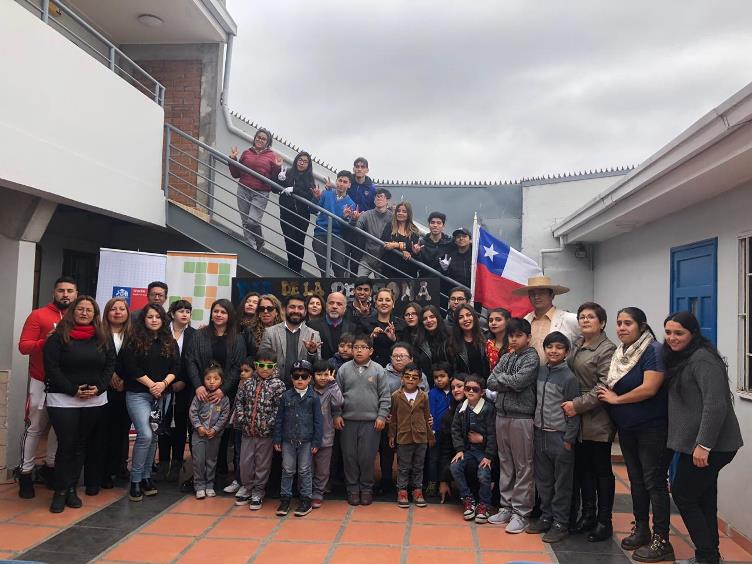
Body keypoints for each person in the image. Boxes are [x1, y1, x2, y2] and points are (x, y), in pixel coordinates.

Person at [663, 311, 743, 564]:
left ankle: (706, 555)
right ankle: (709, 555)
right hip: (697, 445)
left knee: (684, 494)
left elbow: (716, 405)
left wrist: (704, 445)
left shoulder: (703, 360)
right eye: (668, 332)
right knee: (704, 497)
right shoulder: (683, 358)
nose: (672, 338)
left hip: (712, 446)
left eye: (679, 333)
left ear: (693, 334)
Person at [596, 307, 674, 562]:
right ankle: (642, 529)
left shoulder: (653, 351)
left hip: (652, 428)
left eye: (627, 323)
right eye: (619, 323)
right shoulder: (622, 353)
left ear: (641, 326)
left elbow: (650, 388)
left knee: (654, 482)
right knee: (636, 481)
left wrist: (617, 401)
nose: (621, 328)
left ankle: (662, 540)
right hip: (628, 429)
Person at [43, 296, 115, 513]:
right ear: (73, 311)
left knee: (81, 445)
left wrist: (100, 388)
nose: (84, 313)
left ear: (95, 314)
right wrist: (73, 390)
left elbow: (110, 364)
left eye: (89, 310)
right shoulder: (57, 338)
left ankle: (72, 489)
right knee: (66, 445)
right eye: (80, 309)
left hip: (94, 399)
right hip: (64, 399)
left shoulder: (103, 337)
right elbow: (52, 368)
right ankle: (60, 491)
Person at [560, 302, 617, 542]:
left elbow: (605, 385)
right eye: (582, 317)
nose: (585, 320)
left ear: (602, 322)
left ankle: (605, 522)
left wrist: (577, 405)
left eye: (591, 317)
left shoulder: (607, 349)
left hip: (597, 415)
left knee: (601, 470)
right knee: (583, 469)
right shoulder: (577, 344)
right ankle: (588, 515)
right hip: (576, 417)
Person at [17, 276, 77, 498]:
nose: (65, 294)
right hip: (41, 381)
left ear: (76, 294)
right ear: (54, 292)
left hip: (66, 384)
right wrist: (47, 340)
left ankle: (50, 469)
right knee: (34, 428)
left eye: (70, 291)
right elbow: (24, 347)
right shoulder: (39, 315)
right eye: (61, 290)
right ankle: (25, 473)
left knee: (57, 429)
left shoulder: (80, 318)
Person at [120, 304, 181, 502]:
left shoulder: (169, 342)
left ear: (164, 320)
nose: (154, 320)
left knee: (154, 436)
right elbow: (130, 367)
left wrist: (163, 384)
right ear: (143, 320)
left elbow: (176, 366)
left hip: (163, 395)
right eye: (150, 317)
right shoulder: (133, 340)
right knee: (145, 434)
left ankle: (146, 478)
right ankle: (135, 481)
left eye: (158, 317)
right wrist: (152, 385)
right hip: (138, 394)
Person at [486, 317, 540, 533]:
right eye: (511, 335)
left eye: (519, 336)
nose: (514, 339)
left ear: (528, 337)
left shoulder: (532, 357)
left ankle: (522, 512)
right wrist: (509, 382)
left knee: (523, 466)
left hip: (522, 418)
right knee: (506, 463)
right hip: (502, 415)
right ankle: (506, 506)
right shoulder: (507, 356)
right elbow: (490, 381)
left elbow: (520, 382)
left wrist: (504, 382)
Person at [185, 299, 246, 486]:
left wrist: (223, 390)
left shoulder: (237, 338)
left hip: (224, 395)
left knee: (220, 435)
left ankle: (218, 474)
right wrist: (198, 386)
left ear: (230, 316)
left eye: (223, 312)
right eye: (216, 311)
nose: (219, 315)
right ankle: (197, 476)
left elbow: (237, 367)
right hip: (200, 394)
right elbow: (191, 361)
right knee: (197, 432)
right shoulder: (199, 335)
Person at [528, 332, 580, 544]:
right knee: (544, 482)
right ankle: (546, 516)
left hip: (560, 437)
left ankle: (561, 523)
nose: (553, 351)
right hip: (540, 434)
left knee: (562, 484)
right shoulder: (540, 372)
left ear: (566, 352)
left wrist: (569, 438)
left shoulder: (569, 378)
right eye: (550, 347)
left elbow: (574, 410)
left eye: (559, 348)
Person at [335, 334, 391, 506]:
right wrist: (336, 414)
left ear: (371, 351)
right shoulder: (343, 369)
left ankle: (366, 488)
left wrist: (382, 416)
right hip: (348, 421)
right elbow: (335, 395)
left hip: (371, 422)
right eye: (356, 347)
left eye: (363, 347)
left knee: (367, 457)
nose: (359, 350)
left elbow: (385, 396)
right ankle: (352, 488)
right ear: (352, 350)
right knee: (350, 456)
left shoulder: (378, 370)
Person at [233, 348, 286, 509]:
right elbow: (239, 402)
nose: (264, 369)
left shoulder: (278, 385)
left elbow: (279, 409)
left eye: (269, 366)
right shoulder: (247, 383)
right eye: (261, 365)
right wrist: (242, 419)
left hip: (266, 435)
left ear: (275, 367)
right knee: (245, 462)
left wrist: (268, 424)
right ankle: (247, 487)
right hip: (247, 432)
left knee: (262, 464)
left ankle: (258, 491)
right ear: (255, 365)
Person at [274, 360, 323, 517]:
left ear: (310, 378)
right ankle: (285, 498)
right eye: (296, 376)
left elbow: (318, 421)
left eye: (304, 376)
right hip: (288, 440)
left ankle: (305, 499)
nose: (300, 380)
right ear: (291, 378)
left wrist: (316, 441)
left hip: (306, 441)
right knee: (287, 470)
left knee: (304, 470)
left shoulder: (314, 398)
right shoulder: (285, 396)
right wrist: (277, 439)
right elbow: (279, 419)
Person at [381, 342, 429, 494]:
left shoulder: (422, 377)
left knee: (414, 458)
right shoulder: (381, 373)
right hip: (389, 421)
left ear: (411, 358)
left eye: (402, 356)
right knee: (387, 452)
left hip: (414, 424)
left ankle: (413, 486)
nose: (398, 359)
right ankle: (387, 482)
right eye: (395, 356)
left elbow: (425, 400)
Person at [157, 299, 196, 483]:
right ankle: (163, 462)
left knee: (180, 426)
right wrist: (165, 382)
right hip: (161, 386)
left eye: (188, 311)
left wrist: (184, 381)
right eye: (181, 311)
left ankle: (177, 464)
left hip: (184, 388)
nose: (184, 314)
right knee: (162, 425)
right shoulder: (162, 332)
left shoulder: (195, 335)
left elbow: (194, 362)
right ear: (172, 314)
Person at [450, 374, 497, 524]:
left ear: (482, 392)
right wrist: (459, 449)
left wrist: (489, 455)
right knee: (455, 467)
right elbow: (455, 429)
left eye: (474, 389)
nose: (470, 392)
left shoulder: (488, 409)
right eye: (467, 388)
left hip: (483, 452)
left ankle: (484, 504)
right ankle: (467, 499)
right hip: (468, 450)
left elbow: (493, 433)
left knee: (483, 474)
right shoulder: (461, 407)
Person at [389, 362, 434, 508]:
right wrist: (391, 435)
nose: (410, 380)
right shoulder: (396, 396)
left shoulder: (424, 396)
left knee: (418, 466)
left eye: (414, 377)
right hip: (403, 436)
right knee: (403, 466)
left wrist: (430, 436)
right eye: (407, 376)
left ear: (420, 380)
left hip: (420, 436)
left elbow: (427, 417)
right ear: (402, 378)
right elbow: (393, 417)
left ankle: (417, 490)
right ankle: (402, 490)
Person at [228, 129, 281, 250]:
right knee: (245, 222)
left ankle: (259, 240)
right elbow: (236, 174)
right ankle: (252, 249)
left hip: (260, 193)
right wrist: (232, 159)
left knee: (252, 221)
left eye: (263, 139)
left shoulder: (271, 156)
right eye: (258, 137)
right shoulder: (247, 153)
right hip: (243, 189)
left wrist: (277, 167)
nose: (260, 140)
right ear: (255, 138)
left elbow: (274, 179)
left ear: (268, 143)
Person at [101, 297, 132, 489]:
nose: (118, 312)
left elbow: (137, 360)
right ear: (107, 312)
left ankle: (119, 466)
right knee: (104, 431)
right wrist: (110, 375)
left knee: (122, 431)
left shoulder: (133, 335)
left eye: (122, 309)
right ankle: (103, 471)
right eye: (114, 309)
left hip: (126, 388)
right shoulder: (99, 333)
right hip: (103, 389)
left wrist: (124, 380)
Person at [512, 276, 580, 364]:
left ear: (552, 295)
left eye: (542, 293)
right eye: (532, 294)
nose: (537, 297)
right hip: (529, 374)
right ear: (529, 297)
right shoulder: (526, 320)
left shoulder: (568, 319)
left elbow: (591, 335)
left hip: (558, 373)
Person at [259, 294, 321, 388]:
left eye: (300, 308)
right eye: (292, 307)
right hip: (274, 388)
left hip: (303, 390)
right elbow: (262, 362)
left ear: (305, 311)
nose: (296, 311)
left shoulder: (313, 335)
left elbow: (318, 366)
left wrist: (312, 352)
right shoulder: (270, 332)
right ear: (284, 309)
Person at [190, 364, 231, 499]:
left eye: (215, 378)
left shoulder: (224, 399)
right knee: (199, 461)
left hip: (214, 436)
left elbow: (225, 416)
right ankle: (199, 486)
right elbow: (193, 412)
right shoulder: (200, 396)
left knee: (211, 461)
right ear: (203, 380)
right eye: (208, 379)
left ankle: (209, 485)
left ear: (221, 381)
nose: (212, 382)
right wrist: (199, 427)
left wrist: (215, 429)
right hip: (199, 435)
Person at [311, 359, 343, 508]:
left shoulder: (331, 390)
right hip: (308, 437)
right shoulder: (308, 390)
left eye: (326, 374)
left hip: (326, 436)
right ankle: (306, 491)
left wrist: (333, 383)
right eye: (319, 374)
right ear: (312, 376)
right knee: (306, 466)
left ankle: (318, 492)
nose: (323, 377)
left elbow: (339, 402)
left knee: (323, 468)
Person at [311, 170, 356, 276]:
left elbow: (347, 226)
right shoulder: (326, 194)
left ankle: (338, 291)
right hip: (320, 232)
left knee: (339, 267)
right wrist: (316, 198)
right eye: (340, 180)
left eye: (345, 182)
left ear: (349, 185)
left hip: (337, 235)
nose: (341, 184)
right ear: (336, 181)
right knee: (323, 267)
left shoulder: (351, 204)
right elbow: (312, 210)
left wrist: (345, 218)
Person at [278, 151, 317, 273]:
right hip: (286, 213)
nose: (302, 163)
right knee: (289, 240)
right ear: (296, 160)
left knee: (299, 242)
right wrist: (279, 179)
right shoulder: (288, 172)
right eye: (300, 160)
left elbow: (309, 196)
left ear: (308, 164)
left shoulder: (310, 179)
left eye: (305, 161)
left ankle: (297, 271)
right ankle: (291, 268)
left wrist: (294, 189)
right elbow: (276, 189)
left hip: (302, 216)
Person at [224, 359, 255, 495]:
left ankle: (247, 482)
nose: (242, 374)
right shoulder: (240, 384)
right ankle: (238, 480)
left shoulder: (254, 386)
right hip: (238, 423)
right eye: (241, 371)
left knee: (248, 456)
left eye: (247, 371)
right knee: (238, 453)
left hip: (249, 425)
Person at [343, 156, 377, 275]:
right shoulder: (348, 183)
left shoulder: (372, 189)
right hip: (346, 225)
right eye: (357, 166)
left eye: (362, 167)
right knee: (342, 258)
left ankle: (353, 288)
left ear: (367, 170)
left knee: (356, 261)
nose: (359, 169)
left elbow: (375, 209)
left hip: (362, 229)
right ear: (353, 168)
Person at [357, 287, 406, 368]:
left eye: (387, 300)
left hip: (395, 369)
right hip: (370, 368)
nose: (384, 303)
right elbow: (358, 348)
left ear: (393, 304)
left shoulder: (402, 324)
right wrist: (371, 337)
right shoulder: (365, 323)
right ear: (375, 304)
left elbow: (406, 350)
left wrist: (394, 339)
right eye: (380, 300)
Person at [437, 373, 467, 503]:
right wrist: (443, 481)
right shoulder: (449, 416)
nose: (456, 390)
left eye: (460, 386)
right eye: (453, 387)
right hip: (458, 460)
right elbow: (445, 450)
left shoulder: (484, 409)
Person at [426, 362, 453, 497]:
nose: (439, 379)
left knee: (446, 458)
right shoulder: (432, 393)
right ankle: (432, 482)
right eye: (436, 377)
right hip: (436, 432)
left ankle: (446, 482)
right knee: (433, 458)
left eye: (442, 376)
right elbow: (430, 413)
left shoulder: (455, 392)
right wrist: (431, 433)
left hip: (451, 432)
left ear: (450, 377)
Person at [307, 291, 358, 361]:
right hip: (320, 370)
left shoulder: (353, 328)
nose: (334, 306)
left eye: (339, 304)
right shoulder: (312, 325)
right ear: (326, 305)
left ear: (345, 309)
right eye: (331, 303)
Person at [355, 187, 393, 277]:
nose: (378, 198)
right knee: (359, 282)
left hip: (383, 259)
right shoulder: (366, 214)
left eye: (381, 196)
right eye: (377, 196)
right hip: (367, 257)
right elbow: (357, 227)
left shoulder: (393, 217)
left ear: (387, 201)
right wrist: (354, 219)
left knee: (381, 288)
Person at [380, 201, 421, 278]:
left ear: (409, 214)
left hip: (408, 270)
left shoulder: (414, 230)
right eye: (398, 211)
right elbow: (385, 243)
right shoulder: (390, 226)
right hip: (389, 268)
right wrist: (404, 250)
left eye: (404, 211)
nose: (400, 213)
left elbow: (413, 247)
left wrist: (396, 245)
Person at [414, 305, 453, 383]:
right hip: (429, 385)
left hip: (451, 383)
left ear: (437, 318)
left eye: (432, 317)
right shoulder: (418, 341)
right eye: (425, 319)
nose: (429, 320)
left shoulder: (450, 336)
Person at [451, 304, 489, 379]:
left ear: (474, 317)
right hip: (466, 387)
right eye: (461, 317)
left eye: (468, 315)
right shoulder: (452, 343)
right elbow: (454, 371)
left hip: (487, 387)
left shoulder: (486, 338)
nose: (465, 319)